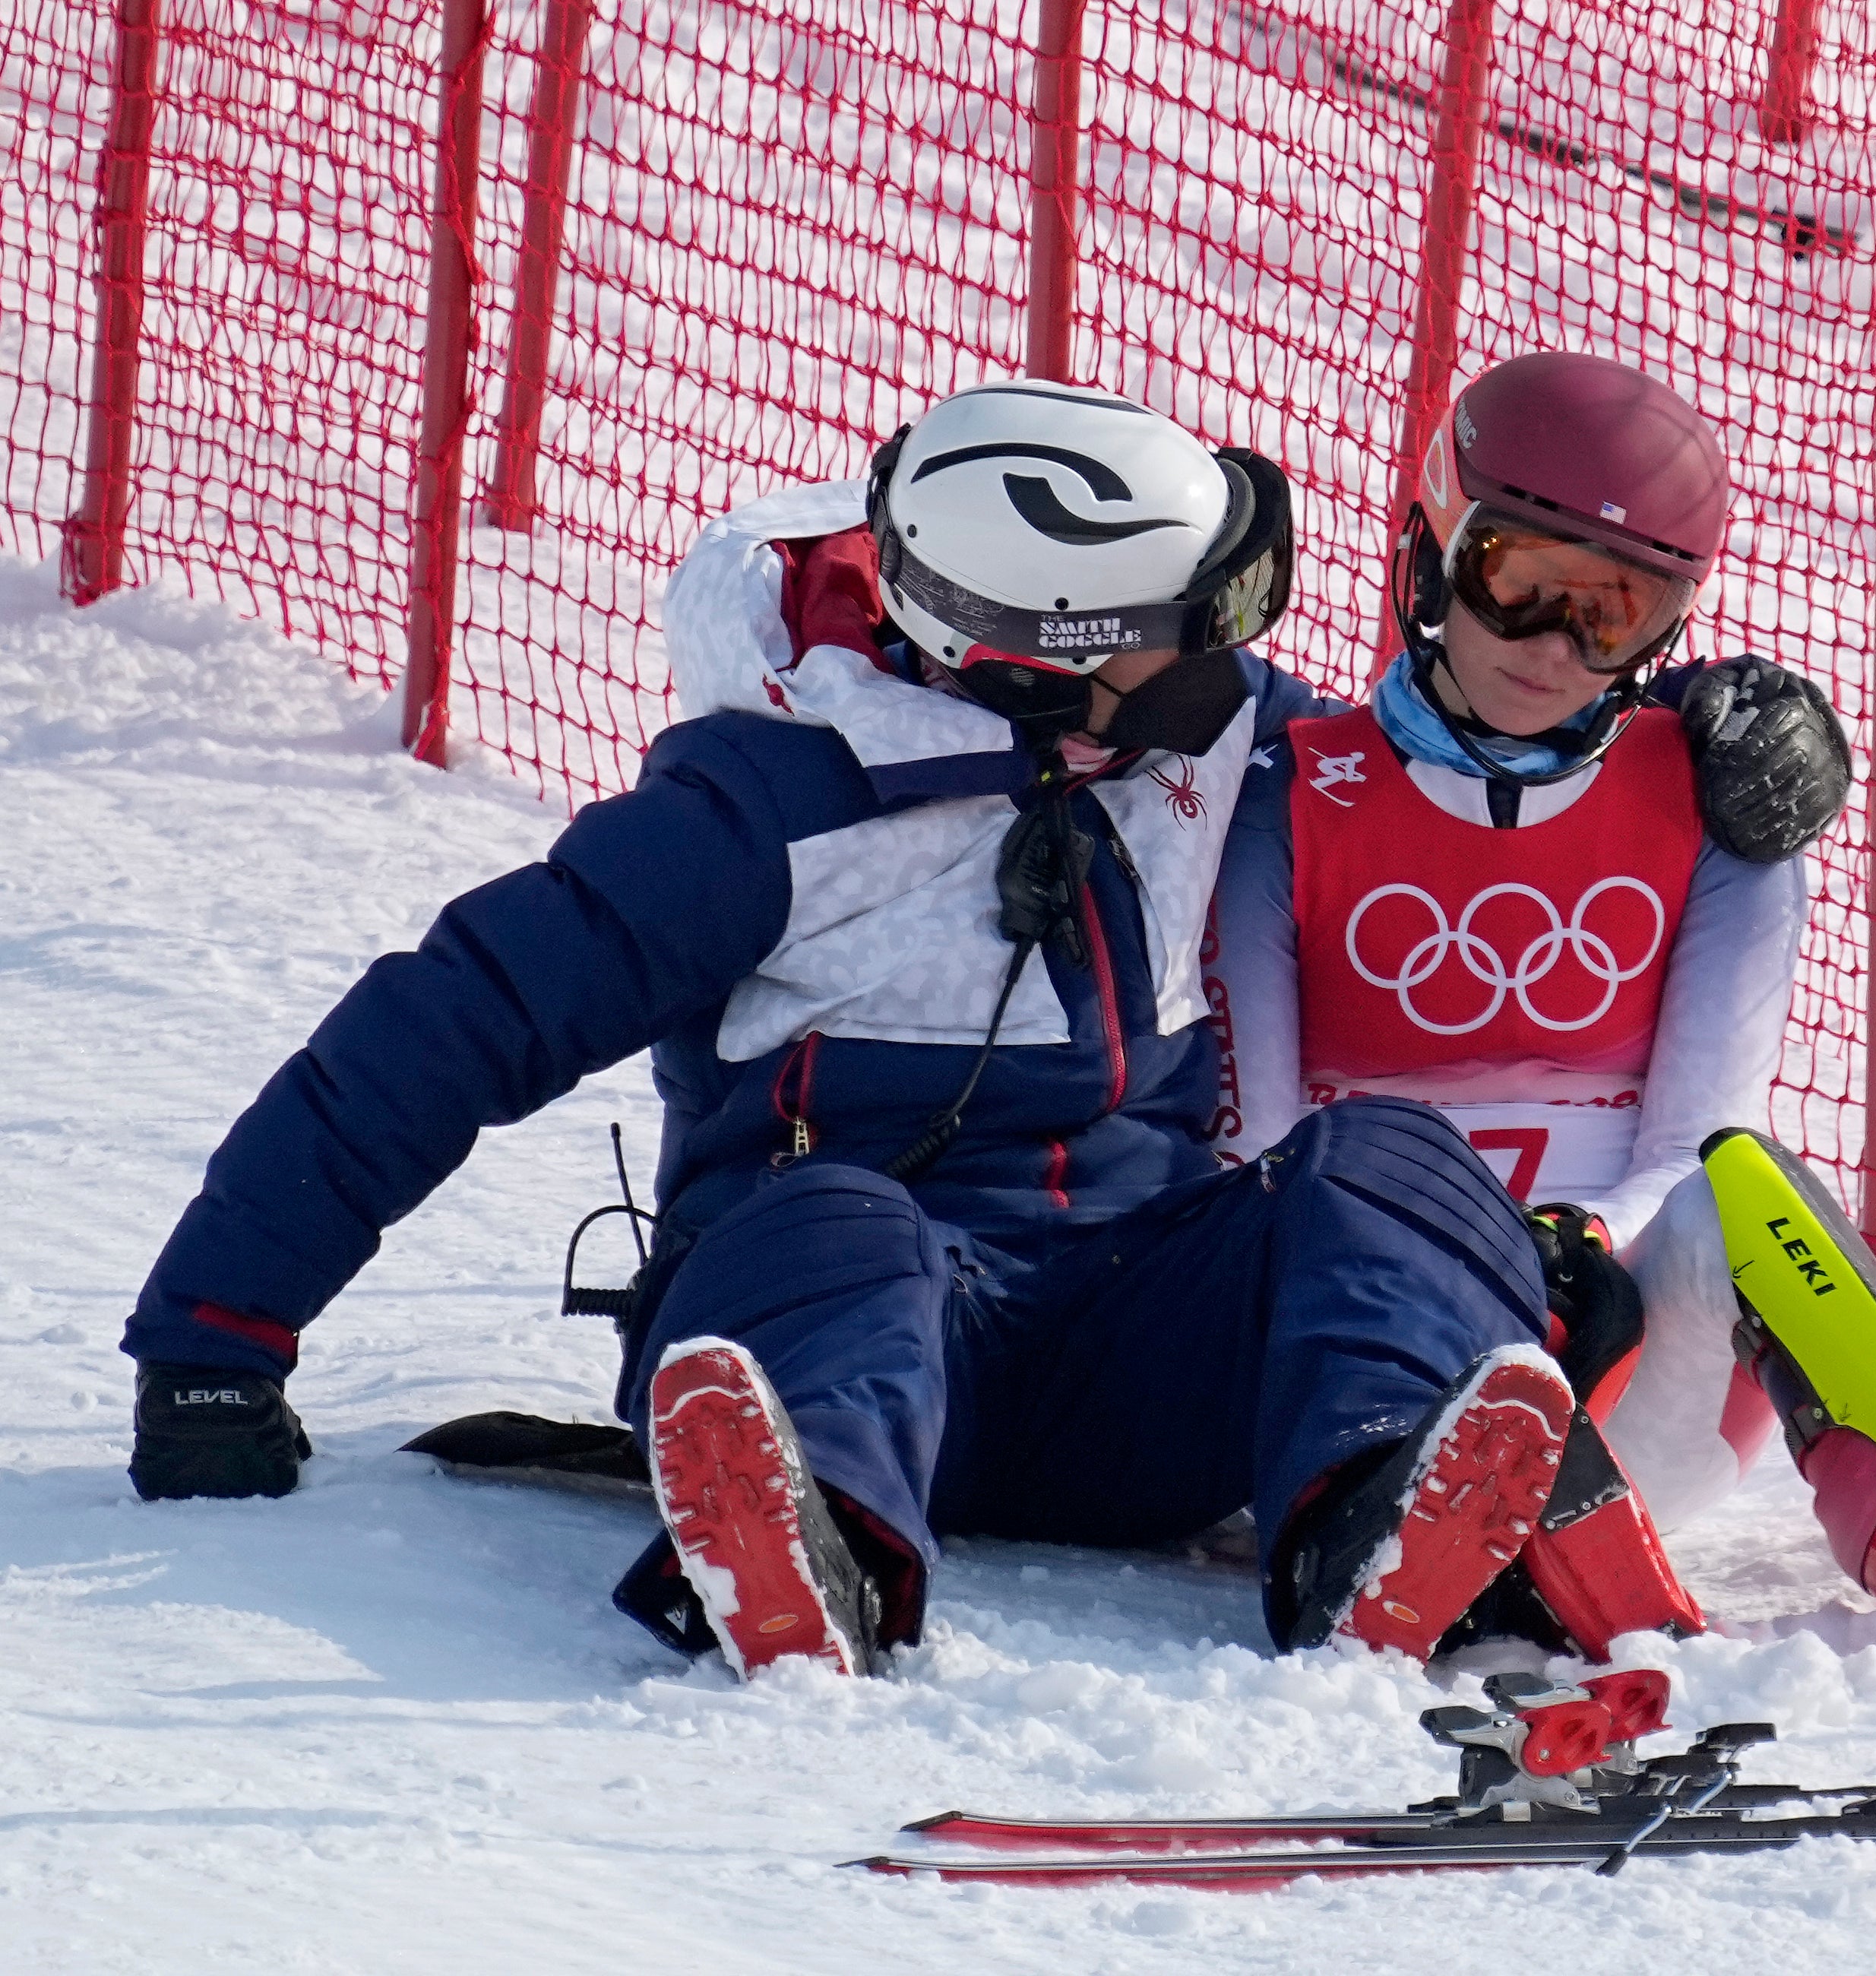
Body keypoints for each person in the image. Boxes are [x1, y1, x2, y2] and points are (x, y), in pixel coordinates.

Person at [118, 382, 1781, 1680]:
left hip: (1129, 1328)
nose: (1242, 667)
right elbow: (451, 1021)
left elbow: (1452, 761)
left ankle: (1378, 1514)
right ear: (1040, 672)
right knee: (838, 1217)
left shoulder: (1186, 744)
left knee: (1384, 1161)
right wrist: (215, 1334)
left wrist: (1706, 740)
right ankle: (805, 1536)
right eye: (1190, 638)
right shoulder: (759, 818)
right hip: (851, 1328)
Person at [1210, 352, 1876, 1648]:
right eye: (1515, 584)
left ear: (1668, 629)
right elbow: (1259, 1144)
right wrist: (1479, 1274)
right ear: (1431, 553)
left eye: (1612, 613)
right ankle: (1487, 1540)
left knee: (1746, 1196)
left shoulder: (1721, 806)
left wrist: (1571, 1253)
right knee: (1307, 1208)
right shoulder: (1292, 792)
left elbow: (1703, 1133)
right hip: (1354, 1356)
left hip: (1627, 1347)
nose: (1550, 647)